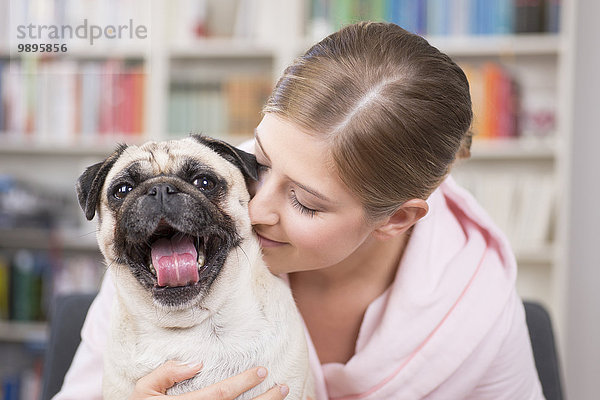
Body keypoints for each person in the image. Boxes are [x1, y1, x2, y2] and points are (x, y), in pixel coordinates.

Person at [54, 22, 544, 400]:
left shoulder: (476, 303)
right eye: (260, 163)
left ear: (395, 219)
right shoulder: (181, 233)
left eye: (305, 202)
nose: (256, 207)